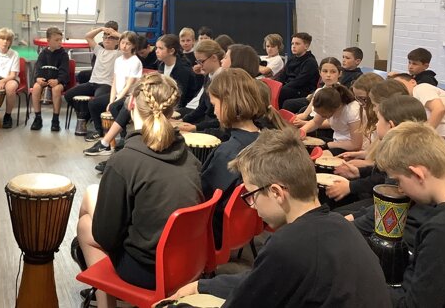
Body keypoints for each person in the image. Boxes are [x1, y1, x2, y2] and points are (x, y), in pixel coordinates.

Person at [162, 127, 391, 307]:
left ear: (276, 192)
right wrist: (202, 286)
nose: (252, 206)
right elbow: (260, 280)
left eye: (251, 195)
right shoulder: (339, 225)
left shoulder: (289, 246)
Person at [75, 73, 203, 308]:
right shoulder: (189, 157)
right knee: (93, 196)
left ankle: (105, 302)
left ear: (132, 103)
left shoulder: (124, 161)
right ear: (172, 110)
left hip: (148, 271)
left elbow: (106, 237)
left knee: (85, 225)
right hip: (189, 262)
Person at [200, 68, 285, 246]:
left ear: (228, 104)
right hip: (248, 225)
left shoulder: (229, 153)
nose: (214, 112)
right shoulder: (268, 139)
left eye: (215, 105)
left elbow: (203, 197)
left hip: (217, 231)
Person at [374, 122, 445, 307]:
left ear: (418, 174)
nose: (400, 189)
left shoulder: (441, 231)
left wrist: (365, 280)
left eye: (398, 181)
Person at [84, 34, 195, 158]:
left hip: (172, 105)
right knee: (125, 105)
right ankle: (111, 142)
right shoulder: (162, 65)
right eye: (156, 47)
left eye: (160, 48)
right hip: (160, 101)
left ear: (171, 51)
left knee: (128, 106)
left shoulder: (182, 69)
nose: (156, 51)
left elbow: (179, 98)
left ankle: (115, 143)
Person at [327, 96, 428, 206]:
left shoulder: (400, 156)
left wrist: (351, 187)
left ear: (391, 126)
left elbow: (383, 183)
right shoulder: (403, 148)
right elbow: (380, 174)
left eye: (379, 120)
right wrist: (359, 172)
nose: (376, 124)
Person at [64, 21, 121, 136]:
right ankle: (85, 115)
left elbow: (131, 41)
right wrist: (101, 29)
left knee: (97, 102)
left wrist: (115, 33)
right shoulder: (99, 50)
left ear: (117, 42)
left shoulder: (119, 54)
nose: (107, 39)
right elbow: (88, 36)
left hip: (106, 85)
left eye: (111, 38)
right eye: (105, 37)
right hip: (92, 83)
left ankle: (98, 128)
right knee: (68, 95)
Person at [87, 31, 142, 142]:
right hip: (118, 94)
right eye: (123, 43)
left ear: (133, 46)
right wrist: (111, 100)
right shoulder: (118, 60)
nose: (124, 46)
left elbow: (128, 86)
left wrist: (113, 102)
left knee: (113, 107)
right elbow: (114, 82)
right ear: (119, 43)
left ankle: (123, 136)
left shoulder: (135, 61)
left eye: (128, 44)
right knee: (93, 103)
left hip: (130, 96)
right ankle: (99, 131)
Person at [299, 84, 362, 153]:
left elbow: (356, 145)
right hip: (337, 140)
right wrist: (303, 130)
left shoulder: (352, 112)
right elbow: (315, 122)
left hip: (352, 147)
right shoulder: (327, 105)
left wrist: (327, 145)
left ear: (336, 107)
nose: (321, 116)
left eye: (324, 115)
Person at [29, 27, 69, 132]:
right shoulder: (43, 54)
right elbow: (38, 69)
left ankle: (55, 120)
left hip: (58, 81)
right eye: (56, 40)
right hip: (44, 81)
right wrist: (38, 78)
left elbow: (64, 72)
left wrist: (58, 80)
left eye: (60, 39)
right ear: (48, 41)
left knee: (56, 89)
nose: (60, 42)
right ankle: (38, 118)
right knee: (36, 88)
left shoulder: (63, 55)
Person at [179, 39, 225, 132]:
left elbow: (222, 118)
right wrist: (182, 120)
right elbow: (202, 107)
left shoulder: (223, 80)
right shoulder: (209, 75)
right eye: (198, 62)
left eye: (201, 61)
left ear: (214, 58)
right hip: (208, 123)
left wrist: (196, 127)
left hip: (218, 128)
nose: (200, 65)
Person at [390, 73, 445, 137]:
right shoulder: (412, 103)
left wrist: (423, 135)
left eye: (399, 84)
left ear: (413, 82)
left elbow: (439, 109)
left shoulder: (420, 88)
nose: (397, 88)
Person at [290, 56, 342, 126]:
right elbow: (304, 115)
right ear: (320, 72)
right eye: (325, 71)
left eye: (333, 72)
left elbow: (331, 123)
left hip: (321, 127)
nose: (328, 75)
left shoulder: (340, 94)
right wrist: (289, 120)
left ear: (340, 73)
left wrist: (303, 123)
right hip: (310, 121)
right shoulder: (318, 91)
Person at [274, 32, 319, 109]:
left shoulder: (310, 62)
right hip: (289, 87)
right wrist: (276, 85)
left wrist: (281, 88)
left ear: (306, 46)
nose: (293, 46)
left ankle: (278, 113)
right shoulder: (292, 59)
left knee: (282, 91)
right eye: (292, 44)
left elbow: (299, 81)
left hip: (303, 91)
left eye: (297, 44)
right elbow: (283, 75)